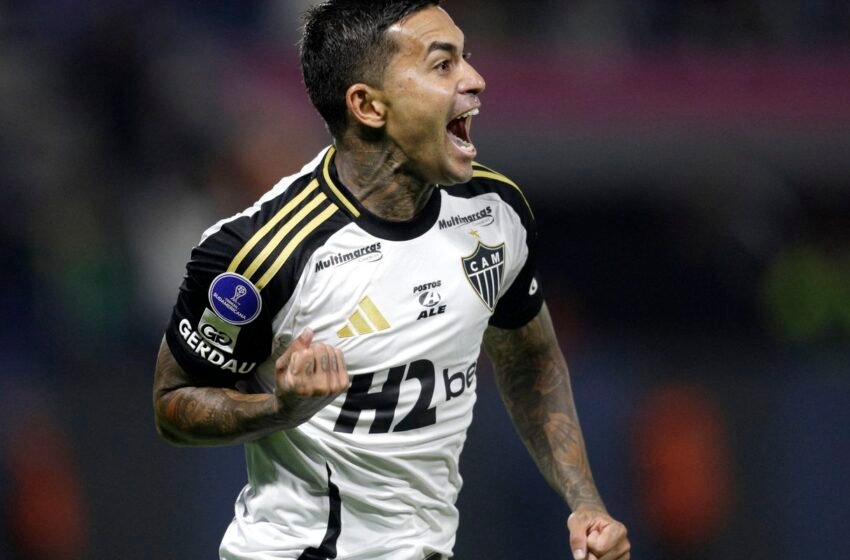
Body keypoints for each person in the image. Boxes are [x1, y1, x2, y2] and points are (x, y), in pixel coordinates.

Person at [153, 1, 630, 559]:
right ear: (368, 105)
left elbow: (531, 360)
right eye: (442, 65)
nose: (475, 80)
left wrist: (585, 503)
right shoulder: (260, 252)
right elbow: (173, 403)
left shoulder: (494, 211)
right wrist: (279, 410)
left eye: (465, 58)